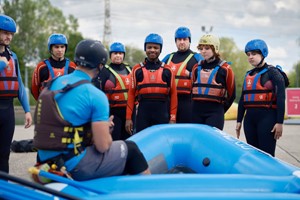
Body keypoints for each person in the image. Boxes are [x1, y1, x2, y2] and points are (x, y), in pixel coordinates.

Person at [32, 39, 150, 181]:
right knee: (131, 150)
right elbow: (102, 146)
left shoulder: (53, 84)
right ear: (100, 66)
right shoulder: (95, 95)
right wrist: (105, 128)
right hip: (70, 165)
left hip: (44, 161)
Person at [235, 39, 287, 156]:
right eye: (248, 54)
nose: (250, 57)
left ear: (263, 53)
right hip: (249, 120)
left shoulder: (273, 72)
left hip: (267, 119)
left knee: (267, 155)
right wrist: (239, 120)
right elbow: (243, 99)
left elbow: (280, 97)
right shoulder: (248, 74)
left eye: (254, 54)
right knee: (254, 155)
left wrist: (280, 122)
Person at [125, 33, 177, 134]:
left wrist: (173, 118)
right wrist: (128, 118)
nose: (152, 50)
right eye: (149, 47)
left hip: (162, 114)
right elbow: (131, 94)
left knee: (162, 143)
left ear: (160, 50)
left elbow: (174, 94)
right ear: (145, 49)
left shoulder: (167, 70)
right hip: (143, 115)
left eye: (156, 48)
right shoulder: (137, 70)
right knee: (143, 144)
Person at [0, 14, 32, 173]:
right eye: (5, 33)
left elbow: (19, 84)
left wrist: (27, 110)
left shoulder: (13, 57)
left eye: (11, 34)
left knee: (4, 153)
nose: (9, 37)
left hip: (8, 110)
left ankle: (3, 189)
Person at [191, 34, 235, 130]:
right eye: (201, 48)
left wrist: (221, 110)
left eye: (207, 48)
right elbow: (192, 91)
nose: (203, 51)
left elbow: (232, 95)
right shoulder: (196, 68)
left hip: (215, 113)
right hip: (196, 113)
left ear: (215, 49)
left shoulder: (225, 69)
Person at [162, 27, 202, 123]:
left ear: (189, 41)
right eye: (179, 39)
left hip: (188, 102)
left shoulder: (197, 58)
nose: (182, 42)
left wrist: (190, 75)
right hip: (169, 102)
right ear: (176, 41)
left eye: (185, 39)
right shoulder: (168, 57)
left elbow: (207, 76)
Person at [95, 42, 133, 140]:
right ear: (110, 55)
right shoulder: (104, 71)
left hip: (129, 112)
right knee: (115, 139)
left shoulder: (130, 69)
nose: (118, 56)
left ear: (123, 55)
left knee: (129, 140)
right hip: (113, 112)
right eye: (115, 53)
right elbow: (98, 92)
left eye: (120, 53)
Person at [31, 33, 76, 100]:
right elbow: (34, 89)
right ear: (51, 48)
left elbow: (77, 89)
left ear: (65, 48)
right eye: (56, 47)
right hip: (47, 105)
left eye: (62, 47)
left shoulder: (72, 66)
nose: (60, 50)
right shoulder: (41, 67)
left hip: (67, 106)